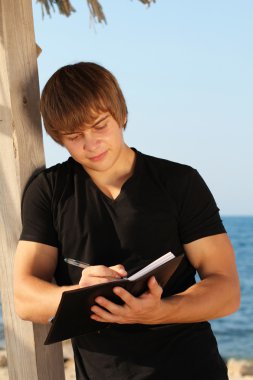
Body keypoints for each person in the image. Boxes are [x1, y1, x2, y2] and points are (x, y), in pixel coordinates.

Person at [14, 62, 240, 380]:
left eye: (100, 126)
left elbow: (226, 289)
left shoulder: (179, 182)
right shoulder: (49, 190)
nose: (91, 144)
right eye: (75, 135)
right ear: (57, 137)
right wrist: (76, 293)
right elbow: (24, 298)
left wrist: (160, 311)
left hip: (191, 369)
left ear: (120, 114)